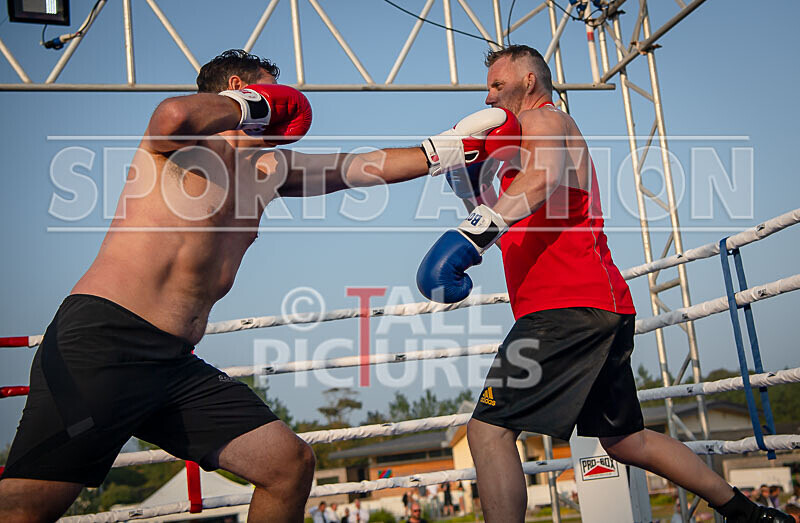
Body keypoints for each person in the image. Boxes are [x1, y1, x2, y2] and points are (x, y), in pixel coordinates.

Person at [0, 48, 520, 522]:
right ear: (238, 89)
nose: (280, 108)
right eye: (269, 91)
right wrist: (251, 104)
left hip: (173, 363)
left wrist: (447, 149)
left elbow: (354, 168)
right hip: (106, 342)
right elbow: (171, 115)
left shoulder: (267, 167)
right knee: (28, 507)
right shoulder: (184, 145)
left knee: (287, 465)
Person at [415, 44, 793, 523]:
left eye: (497, 85)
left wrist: (469, 240)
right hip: (592, 305)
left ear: (529, 81)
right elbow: (516, 192)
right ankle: (748, 514)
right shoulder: (517, 143)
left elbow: (540, 179)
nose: (488, 97)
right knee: (625, 440)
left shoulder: (546, 121)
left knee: (488, 432)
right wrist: (469, 178)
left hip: (566, 309)